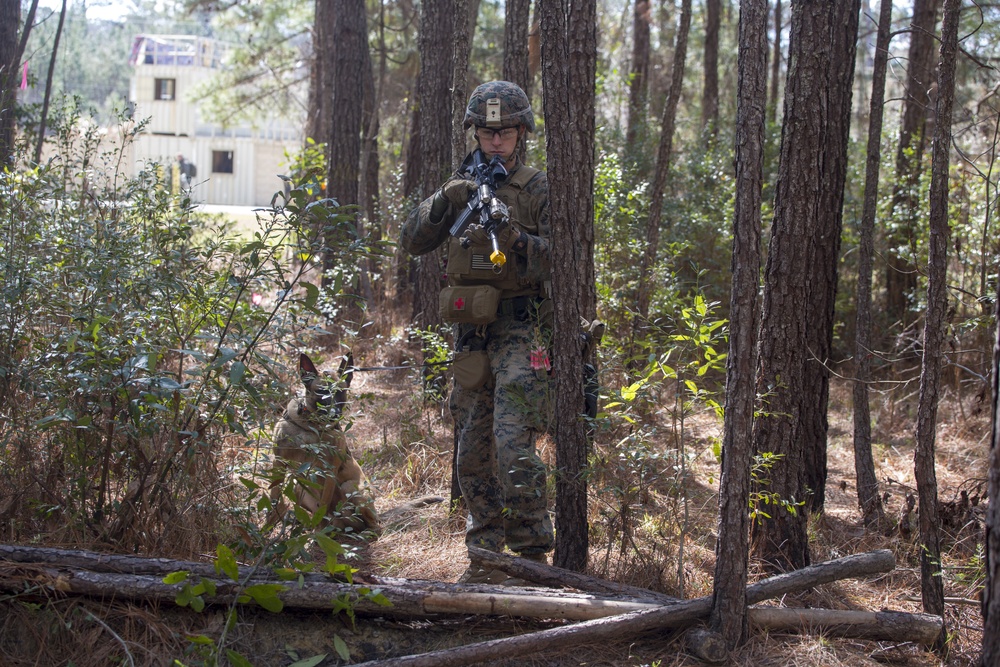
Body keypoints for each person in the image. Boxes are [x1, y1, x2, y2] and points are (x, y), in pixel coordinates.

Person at [400, 81, 553, 585]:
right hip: (472, 334)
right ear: (475, 133)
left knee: (514, 444)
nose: (495, 142)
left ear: (521, 134)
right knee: (471, 448)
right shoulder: (459, 186)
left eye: (505, 132)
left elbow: (567, 259)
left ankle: (531, 557)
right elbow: (413, 242)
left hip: (520, 324)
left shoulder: (537, 189)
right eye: (487, 132)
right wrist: (446, 200)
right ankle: (485, 554)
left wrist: (516, 238)